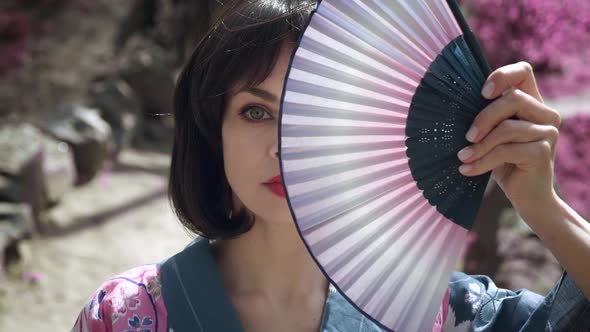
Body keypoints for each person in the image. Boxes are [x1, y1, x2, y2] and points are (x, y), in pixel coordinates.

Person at [72, 0, 590, 331]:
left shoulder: (437, 314)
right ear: (213, 133)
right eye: (256, 112)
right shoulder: (122, 315)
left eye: (316, 114)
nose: (285, 145)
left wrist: (545, 209)